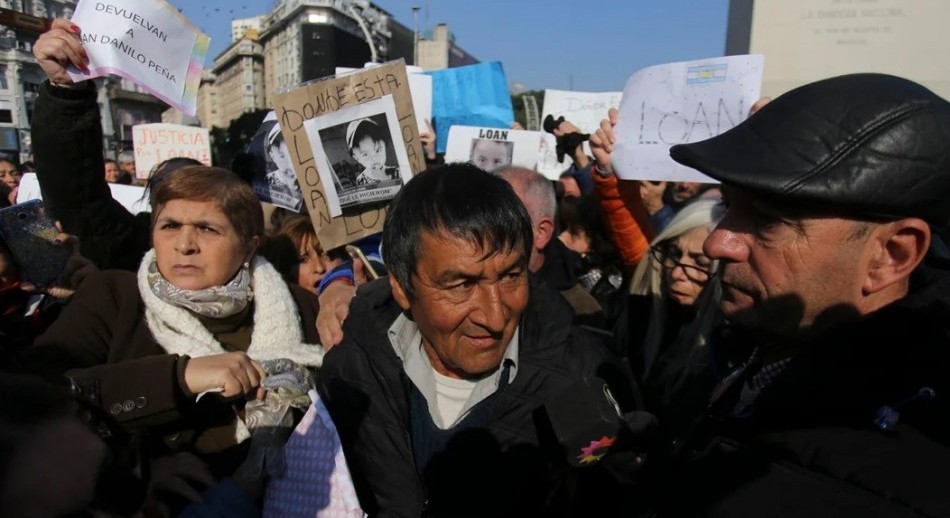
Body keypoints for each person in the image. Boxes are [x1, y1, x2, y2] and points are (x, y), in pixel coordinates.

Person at [646, 73, 950, 516]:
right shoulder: (750, 348)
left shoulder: (908, 472)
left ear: (890, 255)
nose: (717, 243)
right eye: (729, 204)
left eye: (769, 220)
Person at [316, 164, 644, 516]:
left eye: (510, 277)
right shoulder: (352, 367)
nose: (495, 316)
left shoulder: (584, 375)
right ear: (401, 287)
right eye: (461, 285)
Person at [22, 165, 324, 515]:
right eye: (169, 226)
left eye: (207, 229)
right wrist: (178, 379)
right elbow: (37, 395)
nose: (184, 245)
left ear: (248, 246)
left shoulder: (304, 306)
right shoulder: (113, 297)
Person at [347, 117, 399, 185]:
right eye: (365, 154)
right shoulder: (360, 180)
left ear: (384, 146)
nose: (374, 158)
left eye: (378, 150)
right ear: (357, 158)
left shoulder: (397, 172)